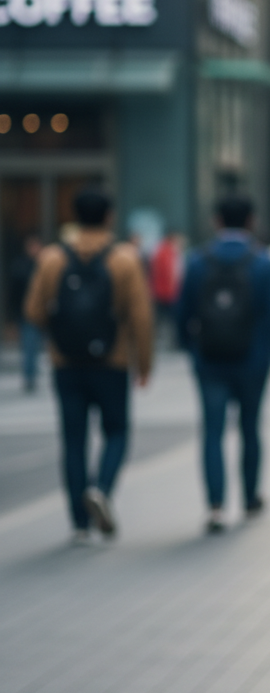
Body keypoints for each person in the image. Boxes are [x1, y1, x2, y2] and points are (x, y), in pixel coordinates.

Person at [24, 191, 153, 542]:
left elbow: (33, 312)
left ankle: (79, 524)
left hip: (66, 364)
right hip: (112, 362)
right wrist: (144, 364)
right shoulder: (125, 259)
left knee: (73, 440)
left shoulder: (52, 258)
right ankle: (102, 489)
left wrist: (61, 331)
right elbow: (141, 316)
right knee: (116, 431)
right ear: (109, 216)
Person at [176, 196, 270, 534]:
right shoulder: (262, 261)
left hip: (209, 358)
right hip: (252, 359)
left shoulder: (197, 260)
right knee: (250, 428)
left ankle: (214, 507)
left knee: (212, 431)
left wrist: (190, 347)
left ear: (216, 221)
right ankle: (250, 497)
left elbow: (183, 312)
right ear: (251, 221)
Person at [9, 234, 43, 392]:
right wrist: (14, 316)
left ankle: (33, 372)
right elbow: (14, 295)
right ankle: (30, 375)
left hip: (43, 312)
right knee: (29, 345)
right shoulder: (21, 266)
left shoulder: (43, 265)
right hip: (27, 314)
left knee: (35, 345)